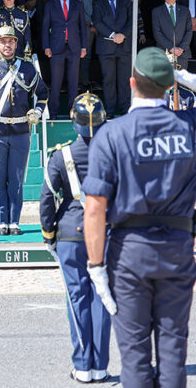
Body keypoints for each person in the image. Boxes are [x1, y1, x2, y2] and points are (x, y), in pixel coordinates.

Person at [84, 48, 196, 388]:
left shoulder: (113, 133)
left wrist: (95, 265)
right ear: (170, 86)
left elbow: (94, 207)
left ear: (131, 83)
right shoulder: (188, 129)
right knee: (174, 349)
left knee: (134, 355)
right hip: (178, 247)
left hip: (129, 252)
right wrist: (183, 78)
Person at [40, 92, 111, 384]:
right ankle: (101, 366)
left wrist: (48, 234)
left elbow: (47, 199)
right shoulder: (114, 154)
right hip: (105, 234)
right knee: (102, 299)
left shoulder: (60, 155)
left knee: (77, 299)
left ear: (74, 121)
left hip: (71, 232)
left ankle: (83, 366)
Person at [0, 25, 48, 235]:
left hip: (21, 130)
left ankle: (14, 221)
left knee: (16, 178)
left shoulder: (28, 68)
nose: (7, 45)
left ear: (16, 44)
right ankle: (1, 220)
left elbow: (42, 93)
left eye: (11, 41)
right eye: (3, 41)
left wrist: (39, 111)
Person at [41, 0, 87, 118]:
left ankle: (73, 112)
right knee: (56, 82)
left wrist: (83, 47)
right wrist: (46, 46)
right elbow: (45, 27)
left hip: (74, 47)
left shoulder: (78, 4)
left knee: (73, 82)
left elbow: (82, 27)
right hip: (56, 48)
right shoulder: (50, 5)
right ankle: (53, 112)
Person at [92, 0, 133, 117]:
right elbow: (97, 22)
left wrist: (123, 35)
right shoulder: (98, 2)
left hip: (124, 46)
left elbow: (132, 21)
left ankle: (124, 111)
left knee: (124, 81)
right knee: (108, 81)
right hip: (106, 48)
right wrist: (113, 35)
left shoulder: (127, 1)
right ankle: (109, 111)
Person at [76, 0, 104, 91]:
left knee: (104, 54)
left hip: (103, 27)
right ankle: (85, 84)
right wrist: (91, 23)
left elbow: (106, 8)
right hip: (86, 27)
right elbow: (79, 10)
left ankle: (102, 82)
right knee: (85, 55)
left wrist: (98, 24)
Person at [151, 0, 193, 67]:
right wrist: (171, 48)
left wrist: (181, 48)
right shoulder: (156, 11)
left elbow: (189, 30)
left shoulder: (185, 11)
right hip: (164, 52)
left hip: (182, 54)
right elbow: (157, 33)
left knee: (181, 80)